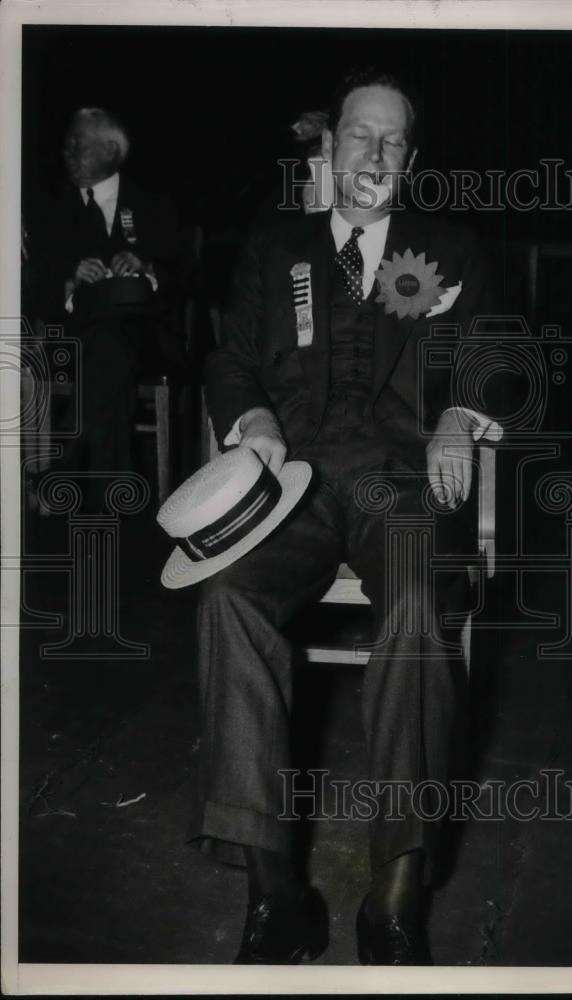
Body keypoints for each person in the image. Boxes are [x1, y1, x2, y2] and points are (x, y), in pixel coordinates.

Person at [197, 68, 500, 965]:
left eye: (392, 140)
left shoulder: (453, 249)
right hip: (291, 482)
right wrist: (253, 420)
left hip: (403, 481)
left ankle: (396, 891)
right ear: (329, 147)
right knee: (227, 595)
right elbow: (230, 360)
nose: (374, 153)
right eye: (360, 134)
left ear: (412, 160)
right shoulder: (273, 249)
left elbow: (498, 354)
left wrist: (459, 418)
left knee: (416, 608)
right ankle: (273, 891)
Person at [33, 107, 185, 507]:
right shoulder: (50, 210)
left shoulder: (154, 204)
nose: (67, 152)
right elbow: (32, 288)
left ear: (112, 150)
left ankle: (66, 463)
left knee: (110, 349)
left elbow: (190, 275)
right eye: (68, 144)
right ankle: (108, 498)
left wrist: (148, 268)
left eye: (78, 144)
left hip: (148, 340)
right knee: (109, 353)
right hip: (75, 340)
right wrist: (69, 281)